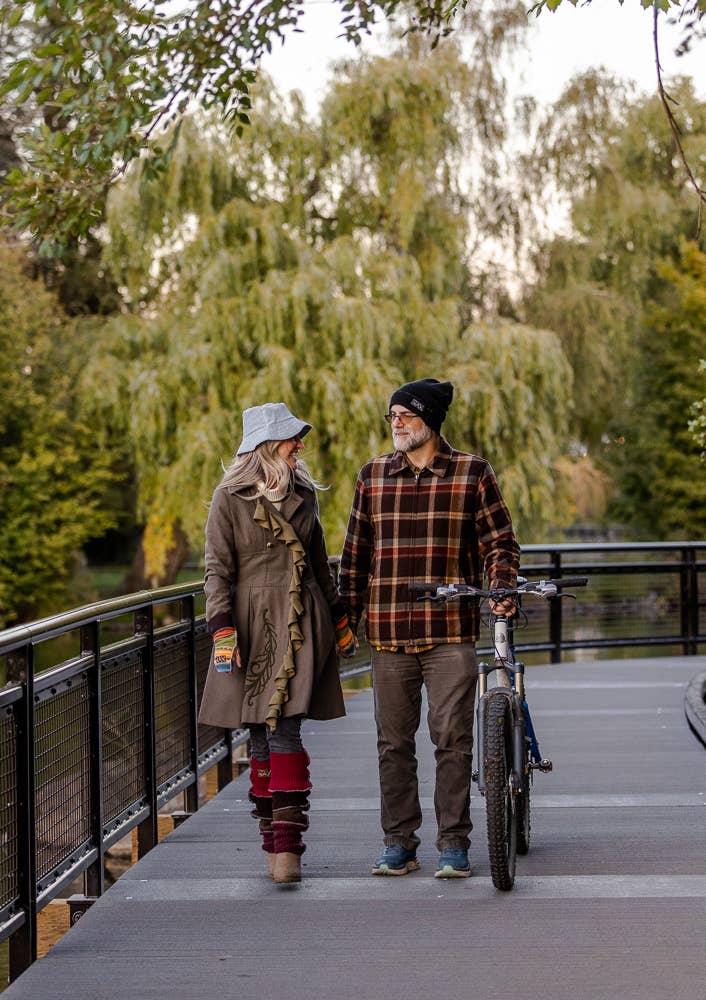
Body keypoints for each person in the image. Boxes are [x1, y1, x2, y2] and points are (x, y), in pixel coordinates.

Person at [338, 378, 520, 878]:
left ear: (431, 420)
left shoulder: (471, 472)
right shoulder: (372, 475)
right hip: (389, 631)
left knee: (452, 741)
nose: (396, 422)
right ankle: (399, 841)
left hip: (449, 633)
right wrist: (343, 620)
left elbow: (500, 544)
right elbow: (354, 558)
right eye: (391, 415)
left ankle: (453, 843)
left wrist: (501, 588)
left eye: (406, 414)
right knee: (392, 744)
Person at [198, 402, 357, 884]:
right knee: (258, 732)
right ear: (268, 445)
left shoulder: (305, 494)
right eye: (292, 439)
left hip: (300, 620)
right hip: (249, 623)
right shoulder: (228, 498)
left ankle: (287, 849)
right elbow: (217, 568)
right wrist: (223, 628)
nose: (300, 446)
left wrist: (339, 617)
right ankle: (273, 839)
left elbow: (317, 560)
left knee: (285, 727)